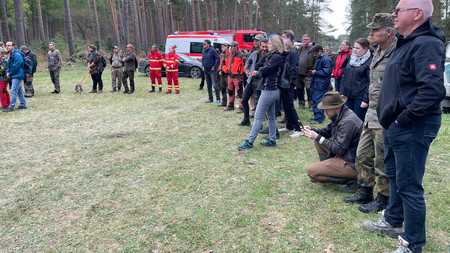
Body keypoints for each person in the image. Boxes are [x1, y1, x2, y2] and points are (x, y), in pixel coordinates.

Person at [363, 1, 446, 252]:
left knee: (410, 186)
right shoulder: (405, 42)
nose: (393, 14)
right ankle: (393, 221)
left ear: (418, 14)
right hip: (395, 125)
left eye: (399, 10)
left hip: (412, 126)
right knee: (395, 178)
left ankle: (412, 243)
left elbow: (432, 91)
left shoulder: (427, 43)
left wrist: (403, 120)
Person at [344, 13, 396, 213]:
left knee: (382, 160)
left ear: (388, 31)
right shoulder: (378, 52)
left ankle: (383, 198)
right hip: (371, 116)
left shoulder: (396, 52)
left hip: (385, 116)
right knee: (362, 155)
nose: (370, 33)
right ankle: (365, 189)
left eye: (375, 30)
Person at [303, 91, 362, 191]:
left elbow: (339, 149)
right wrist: (312, 131)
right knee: (318, 141)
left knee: (311, 171)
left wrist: (317, 137)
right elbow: (326, 131)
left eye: (327, 109)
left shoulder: (347, 121)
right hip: (346, 156)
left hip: (353, 164)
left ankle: (353, 181)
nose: (325, 112)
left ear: (337, 107)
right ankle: (328, 170)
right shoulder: (340, 115)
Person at [238, 35, 285, 150]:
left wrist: (255, 73)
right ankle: (272, 139)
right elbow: (261, 67)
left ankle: (249, 142)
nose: (267, 45)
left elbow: (264, 70)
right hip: (271, 90)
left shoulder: (276, 58)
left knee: (258, 117)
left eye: (269, 43)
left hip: (269, 91)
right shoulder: (273, 56)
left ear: (275, 45)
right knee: (271, 117)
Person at [339, 38, 372, 122]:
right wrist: (342, 92)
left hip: (360, 98)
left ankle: (358, 135)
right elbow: (344, 76)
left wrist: (365, 100)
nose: (354, 50)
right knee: (347, 120)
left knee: (358, 121)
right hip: (347, 96)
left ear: (365, 49)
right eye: (354, 47)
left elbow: (370, 82)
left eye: (357, 48)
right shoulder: (350, 58)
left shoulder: (370, 61)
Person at [239, 38, 268, 126]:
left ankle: (259, 125)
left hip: (260, 83)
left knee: (257, 104)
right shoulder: (255, 53)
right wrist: (246, 69)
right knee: (244, 101)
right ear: (260, 46)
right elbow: (248, 61)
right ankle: (246, 120)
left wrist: (258, 73)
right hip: (250, 81)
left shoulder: (269, 56)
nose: (264, 48)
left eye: (266, 47)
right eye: (263, 46)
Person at [279, 38, 303, 138]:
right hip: (283, 83)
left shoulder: (293, 53)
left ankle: (299, 128)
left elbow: (294, 68)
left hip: (289, 83)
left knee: (290, 105)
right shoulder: (285, 53)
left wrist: (290, 82)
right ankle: (289, 126)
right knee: (285, 105)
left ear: (287, 45)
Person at [309, 45, 333, 124]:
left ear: (320, 51)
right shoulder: (321, 58)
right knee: (316, 99)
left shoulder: (325, 59)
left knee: (318, 99)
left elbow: (327, 71)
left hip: (321, 83)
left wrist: (315, 72)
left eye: (316, 53)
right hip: (318, 82)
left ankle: (319, 118)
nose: (315, 55)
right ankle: (318, 116)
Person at [2, 41, 26, 112]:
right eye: (6, 45)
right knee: (19, 91)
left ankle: (11, 107)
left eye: (9, 45)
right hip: (14, 74)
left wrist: (10, 73)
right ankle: (23, 104)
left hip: (17, 75)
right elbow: (9, 65)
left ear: (13, 46)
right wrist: (7, 72)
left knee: (13, 91)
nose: (7, 47)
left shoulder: (17, 55)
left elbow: (16, 66)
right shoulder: (11, 54)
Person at [224, 41, 245, 111]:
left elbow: (244, 65)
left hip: (238, 76)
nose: (231, 48)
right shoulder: (229, 55)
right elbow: (227, 64)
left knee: (240, 92)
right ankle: (230, 105)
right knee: (230, 91)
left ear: (236, 47)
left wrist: (241, 72)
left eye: (232, 46)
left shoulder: (241, 55)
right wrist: (226, 70)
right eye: (230, 46)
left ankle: (241, 107)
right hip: (230, 76)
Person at [296, 34, 314, 109]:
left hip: (308, 73)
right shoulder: (300, 49)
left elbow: (316, 60)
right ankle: (301, 104)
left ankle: (311, 105)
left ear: (309, 40)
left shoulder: (312, 49)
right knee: (299, 89)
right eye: (303, 39)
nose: (304, 41)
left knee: (309, 89)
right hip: (299, 73)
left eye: (306, 39)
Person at [218, 41, 231, 107]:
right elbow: (221, 64)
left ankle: (230, 103)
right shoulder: (223, 55)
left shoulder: (230, 55)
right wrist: (219, 70)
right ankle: (224, 102)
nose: (222, 48)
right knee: (222, 89)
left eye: (223, 47)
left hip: (227, 74)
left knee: (229, 89)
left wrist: (223, 71)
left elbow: (229, 66)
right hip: (222, 74)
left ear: (227, 47)